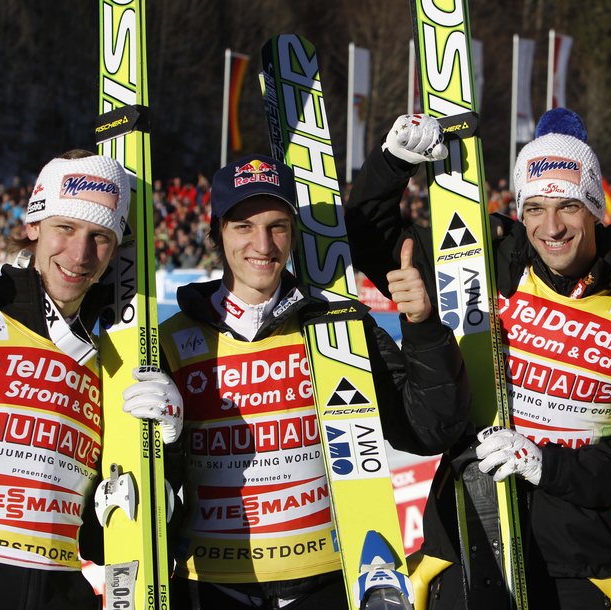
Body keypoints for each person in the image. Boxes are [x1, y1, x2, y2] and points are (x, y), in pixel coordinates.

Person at [344, 110, 611, 609]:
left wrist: (547, 465)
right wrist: (393, 163)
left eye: (568, 206)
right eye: (535, 208)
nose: (552, 227)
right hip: (468, 546)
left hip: (579, 569)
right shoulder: (485, 269)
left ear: (594, 209)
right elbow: (367, 235)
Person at [160, 154, 470, 608]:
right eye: (244, 226)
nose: (262, 244)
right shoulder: (171, 341)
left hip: (325, 582)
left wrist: (422, 327)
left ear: (293, 235)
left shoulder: (338, 327)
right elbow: (156, 483)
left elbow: (427, 430)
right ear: (217, 233)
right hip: (209, 585)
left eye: (277, 226)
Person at [0, 153, 182, 610]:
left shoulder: (116, 366)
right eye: (66, 227)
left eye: (100, 236)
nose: (80, 254)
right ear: (33, 225)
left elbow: (108, 539)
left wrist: (167, 453)